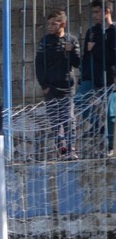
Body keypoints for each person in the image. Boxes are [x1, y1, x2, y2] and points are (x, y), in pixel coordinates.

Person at [35, 9, 81, 158]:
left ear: (63, 24)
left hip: (67, 87)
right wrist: (44, 85)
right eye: (48, 24)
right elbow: (39, 64)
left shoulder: (72, 40)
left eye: (53, 24)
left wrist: (71, 51)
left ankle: (71, 148)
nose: (50, 27)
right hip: (51, 87)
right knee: (55, 120)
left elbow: (77, 63)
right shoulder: (45, 41)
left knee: (69, 119)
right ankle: (61, 149)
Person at [76, 0, 116, 156]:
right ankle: (99, 126)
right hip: (92, 77)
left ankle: (109, 147)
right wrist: (84, 75)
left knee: (110, 114)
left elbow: (113, 57)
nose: (94, 15)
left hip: (110, 79)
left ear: (107, 11)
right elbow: (86, 56)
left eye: (97, 12)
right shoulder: (92, 32)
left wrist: (96, 49)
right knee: (79, 100)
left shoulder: (113, 32)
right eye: (93, 12)